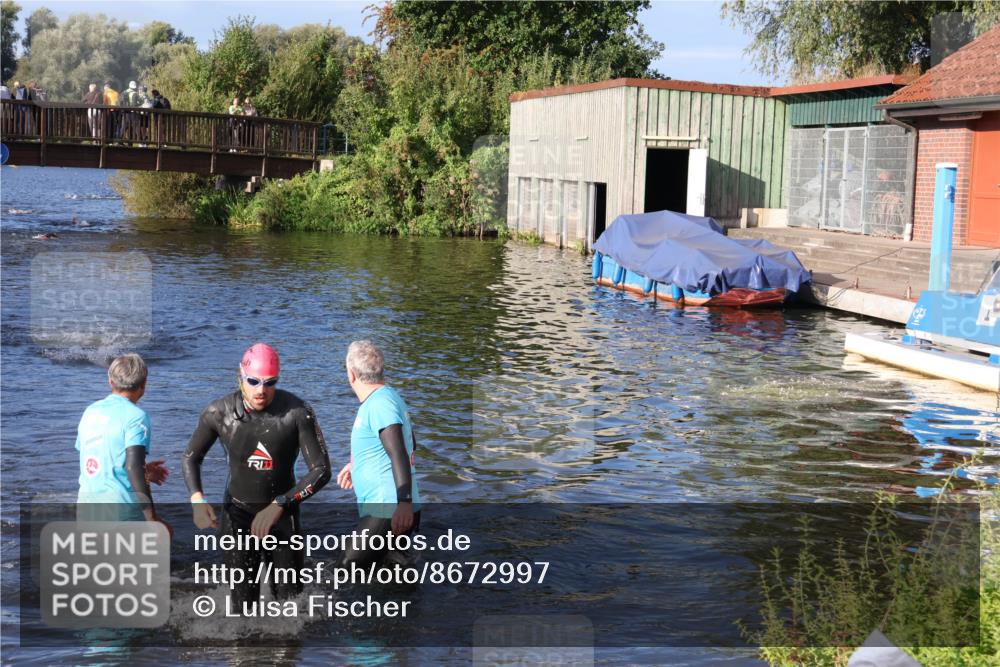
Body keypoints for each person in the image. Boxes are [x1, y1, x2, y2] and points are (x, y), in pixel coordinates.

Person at [182, 343, 331, 607]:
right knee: (241, 606)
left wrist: (281, 504)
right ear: (241, 375)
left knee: (290, 607)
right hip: (237, 513)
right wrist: (197, 499)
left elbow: (321, 471)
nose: (261, 390)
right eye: (253, 381)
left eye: (270, 382)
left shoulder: (297, 412)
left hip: (283, 514)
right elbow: (191, 458)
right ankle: (244, 650)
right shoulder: (219, 412)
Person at [337, 340, 421, 567]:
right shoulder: (387, 397)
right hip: (392, 506)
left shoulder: (379, 405)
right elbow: (411, 442)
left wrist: (404, 503)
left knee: (348, 569)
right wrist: (358, 463)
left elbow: (399, 453)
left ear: (351, 374)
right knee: (390, 574)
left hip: (388, 508)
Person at [76, 354, 170, 528]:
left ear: (110, 381)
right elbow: (133, 467)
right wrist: (151, 519)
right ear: (144, 384)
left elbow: (95, 460)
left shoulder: (90, 411)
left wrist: (143, 472)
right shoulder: (137, 417)